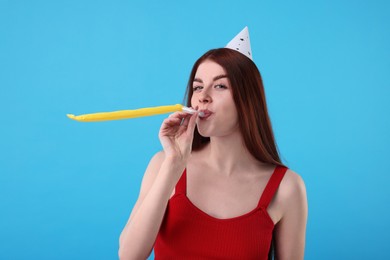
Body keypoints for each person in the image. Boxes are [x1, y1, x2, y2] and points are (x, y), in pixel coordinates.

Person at [118, 27, 308, 260]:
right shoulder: (163, 165)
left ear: (248, 99)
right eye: (198, 87)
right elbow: (129, 255)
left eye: (220, 86)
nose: (202, 96)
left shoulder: (287, 187)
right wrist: (173, 165)